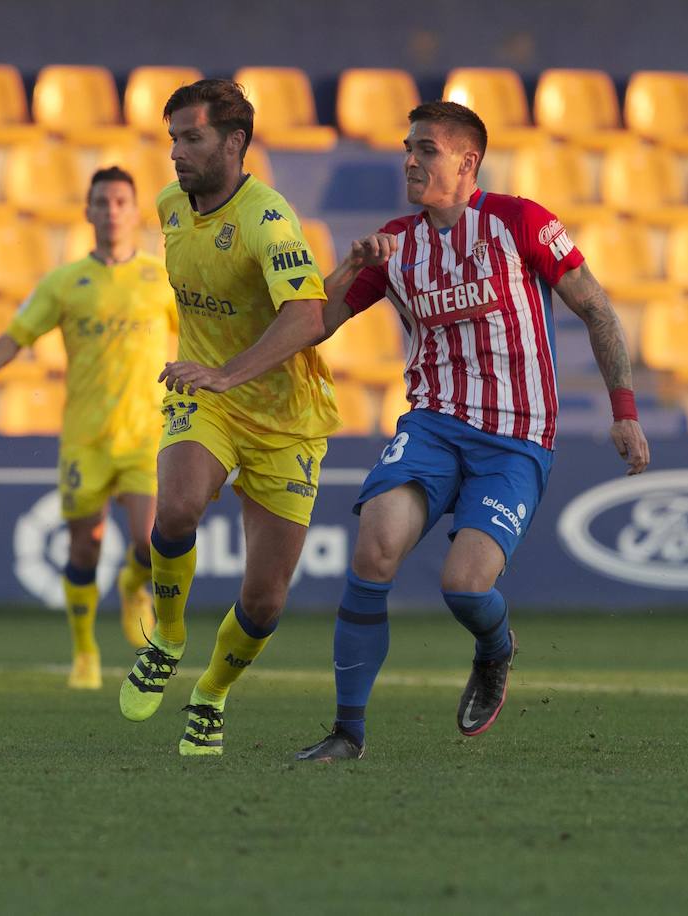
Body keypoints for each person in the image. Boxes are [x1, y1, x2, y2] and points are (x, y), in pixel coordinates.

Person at [285, 101, 650, 761]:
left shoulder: (520, 222)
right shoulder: (395, 245)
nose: (410, 160)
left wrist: (623, 409)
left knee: (464, 585)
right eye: (407, 147)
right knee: (373, 550)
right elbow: (317, 319)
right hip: (432, 426)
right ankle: (348, 733)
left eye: (425, 148)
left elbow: (596, 308)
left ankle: (494, 647)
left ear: (466, 161)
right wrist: (345, 267)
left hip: (516, 435)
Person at [118, 79, 341, 756]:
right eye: (172, 140)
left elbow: (307, 316)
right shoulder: (168, 207)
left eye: (192, 139)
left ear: (235, 142)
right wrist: (211, 378)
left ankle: (210, 695)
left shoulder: (269, 220)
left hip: (284, 418)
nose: (177, 154)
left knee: (266, 601)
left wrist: (228, 372)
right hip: (204, 398)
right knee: (177, 509)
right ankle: (168, 635)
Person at [0, 166, 174, 689]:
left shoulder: (160, 279)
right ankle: (85, 653)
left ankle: (134, 587)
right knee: (83, 550)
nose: (112, 210)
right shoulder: (65, 282)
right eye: (102, 201)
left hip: (144, 434)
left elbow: (204, 331)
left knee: (149, 544)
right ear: (88, 211)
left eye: (121, 201)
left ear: (135, 211)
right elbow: (18, 333)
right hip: (85, 439)